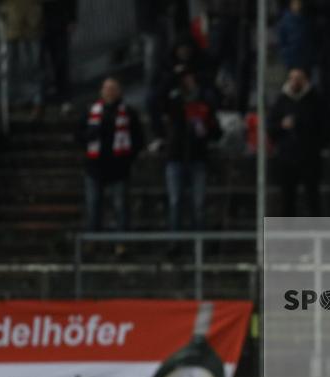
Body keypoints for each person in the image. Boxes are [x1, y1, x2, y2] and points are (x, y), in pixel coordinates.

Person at [75, 78, 144, 232]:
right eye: (107, 88)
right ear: (101, 91)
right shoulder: (90, 111)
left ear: (119, 91)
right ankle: (93, 241)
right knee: (93, 206)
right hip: (95, 167)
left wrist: (127, 158)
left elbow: (138, 139)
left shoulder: (128, 113)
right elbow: (79, 136)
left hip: (119, 168)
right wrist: (91, 134)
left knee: (121, 207)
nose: (110, 92)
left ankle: (121, 243)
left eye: (113, 88)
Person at [161, 68, 222, 231]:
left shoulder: (204, 102)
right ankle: (175, 242)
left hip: (198, 157)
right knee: (175, 202)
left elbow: (215, 131)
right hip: (176, 156)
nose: (187, 81)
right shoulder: (173, 100)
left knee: (199, 203)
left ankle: (199, 244)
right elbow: (159, 105)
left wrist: (207, 126)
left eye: (189, 77)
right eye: (183, 79)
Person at [268, 68, 326, 217]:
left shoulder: (315, 100)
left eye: (299, 78)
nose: (295, 81)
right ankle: (289, 237)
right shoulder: (281, 100)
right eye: (292, 78)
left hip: (310, 158)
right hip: (287, 159)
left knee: (312, 199)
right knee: (287, 200)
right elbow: (270, 127)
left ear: (306, 80)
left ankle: (315, 236)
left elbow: (324, 127)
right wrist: (282, 125)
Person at [40, 0, 76, 115]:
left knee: (60, 61)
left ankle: (64, 98)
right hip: (37, 22)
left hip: (58, 20)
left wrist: (72, 18)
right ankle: (44, 99)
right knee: (41, 63)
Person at [276, 0, 315, 72]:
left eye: (299, 3)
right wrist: (287, 59)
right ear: (291, 5)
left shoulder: (306, 21)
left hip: (305, 62)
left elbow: (310, 42)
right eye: (295, 3)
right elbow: (282, 42)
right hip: (291, 61)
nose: (297, 6)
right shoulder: (284, 22)